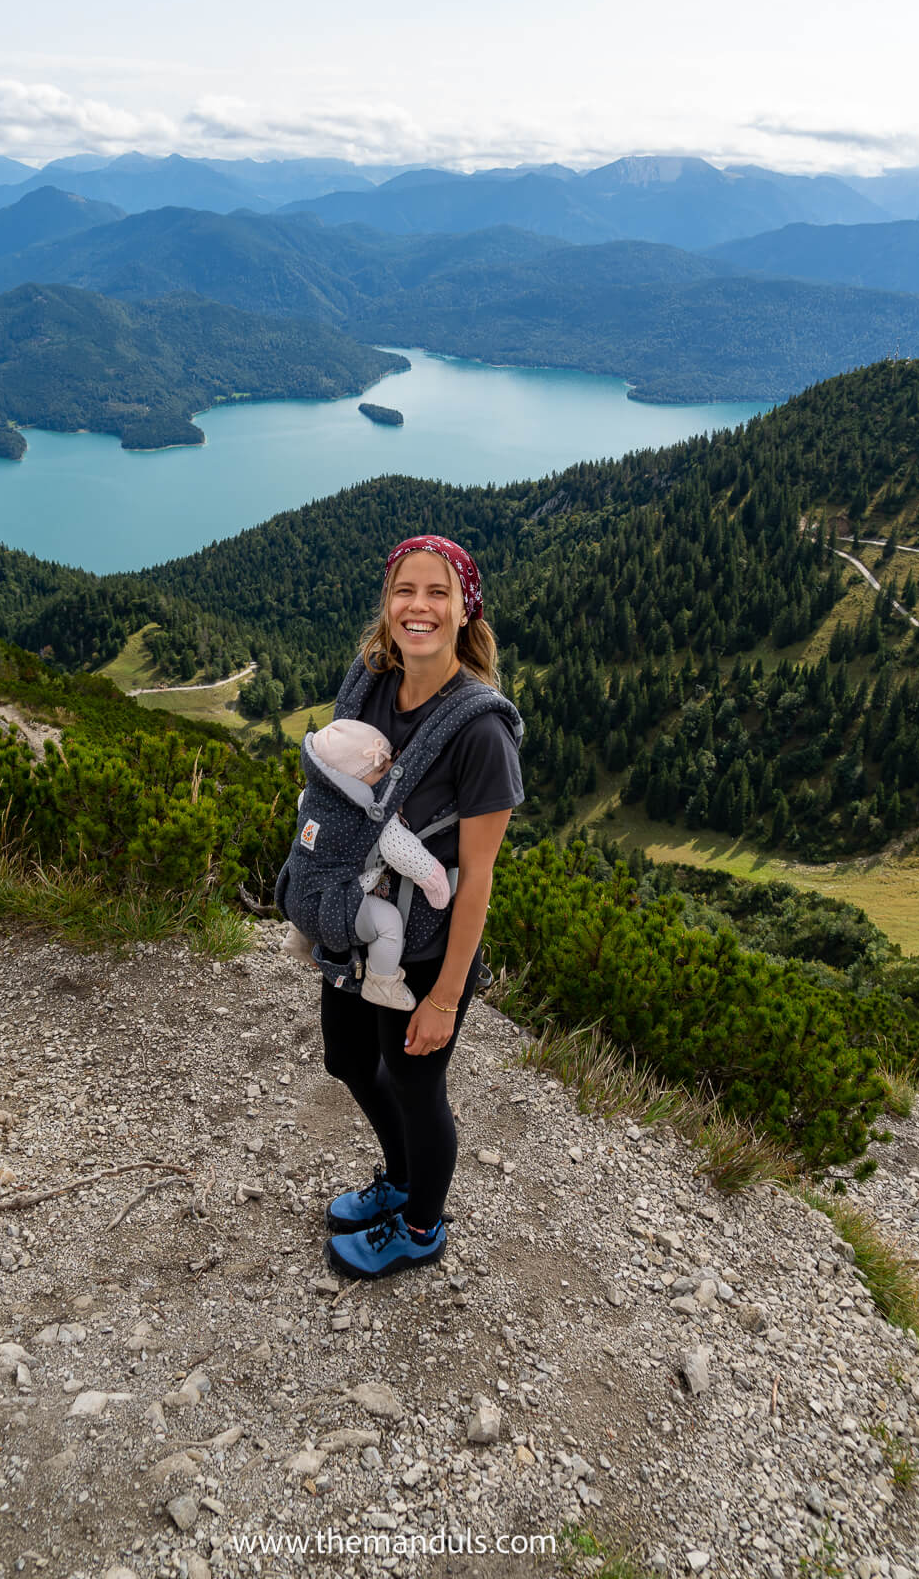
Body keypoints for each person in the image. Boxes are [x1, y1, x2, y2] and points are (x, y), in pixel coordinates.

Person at [317, 535, 523, 1281]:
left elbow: (477, 878)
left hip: (428, 946)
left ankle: (421, 1225)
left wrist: (443, 997)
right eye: (406, 590)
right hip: (354, 923)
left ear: (466, 607)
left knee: (413, 1082)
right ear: (388, 601)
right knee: (346, 1055)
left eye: (439, 592)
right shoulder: (368, 680)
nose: (420, 607)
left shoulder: (482, 729)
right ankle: (400, 1177)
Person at [287, 715, 452, 1012]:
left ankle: (300, 942)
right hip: (333, 904)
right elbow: (402, 851)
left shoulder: (310, 796)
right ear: (351, 779)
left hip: (294, 893)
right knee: (388, 923)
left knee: (312, 893)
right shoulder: (369, 816)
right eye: (380, 767)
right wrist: (436, 880)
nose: (390, 771)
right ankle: (382, 983)